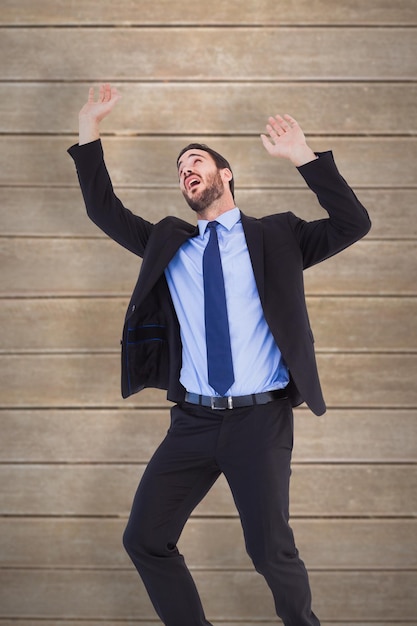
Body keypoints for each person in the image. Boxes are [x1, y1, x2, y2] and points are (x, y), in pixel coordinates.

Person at [68, 83, 371, 626]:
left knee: (269, 552)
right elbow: (102, 208)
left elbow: (354, 224)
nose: (187, 168)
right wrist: (89, 127)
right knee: (145, 539)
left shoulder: (278, 235)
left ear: (225, 174)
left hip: (261, 419)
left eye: (198, 160)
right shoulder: (168, 241)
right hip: (193, 421)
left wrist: (303, 156)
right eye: (181, 166)